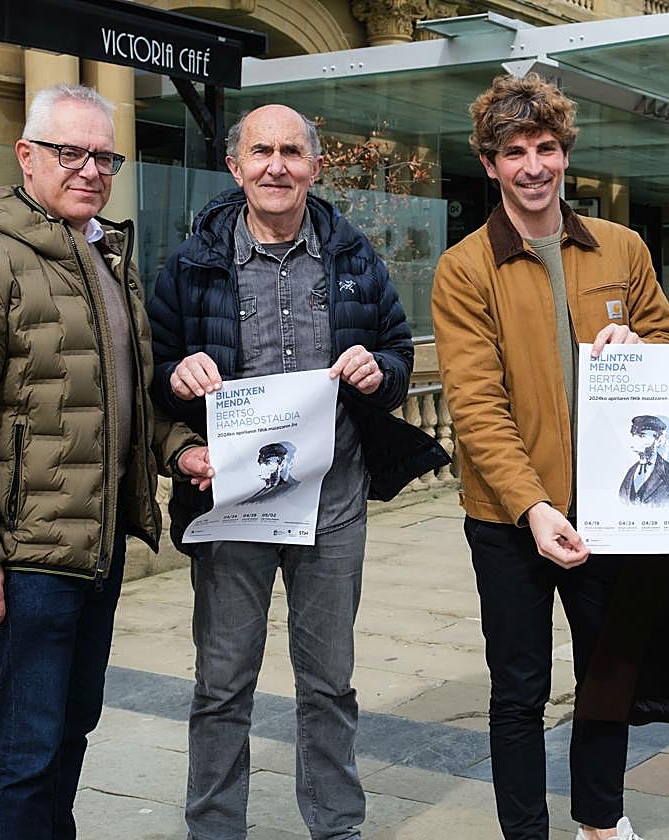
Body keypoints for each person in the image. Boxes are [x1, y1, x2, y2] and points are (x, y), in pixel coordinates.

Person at [0, 84, 205, 839]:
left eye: (105, 155)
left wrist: (180, 449)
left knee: (72, 726)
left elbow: (128, 397)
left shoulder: (108, 255)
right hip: (28, 553)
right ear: (28, 156)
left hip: (93, 547)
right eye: (71, 152)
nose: (90, 169)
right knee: (27, 745)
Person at [147, 103, 447, 840]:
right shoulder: (190, 266)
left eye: (291, 152)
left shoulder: (354, 258)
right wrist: (176, 377)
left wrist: (381, 370)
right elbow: (151, 371)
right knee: (221, 686)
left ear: (314, 166)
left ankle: (337, 827)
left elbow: (399, 353)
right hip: (233, 508)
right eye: (261, 153)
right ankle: (215, 831)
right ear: (235, 166)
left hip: (332, 502)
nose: (275, 166)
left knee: (328, 685)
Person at [432, 73, 669, 840]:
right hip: (510, 519)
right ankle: (526, 832)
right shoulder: (465, 268)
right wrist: (535, 505)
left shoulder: (620, 247)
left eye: (546, 147)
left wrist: (663, 341)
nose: (533, 165)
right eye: (514, 152)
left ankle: (602, 826)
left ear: (565, 154)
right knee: (518, 690)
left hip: (612, 510)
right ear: (490, 163)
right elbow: (476, 406)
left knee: (608, 680)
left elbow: (663, 355)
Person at [617, 415, 669, 506]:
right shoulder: (630, 472)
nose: (635, 442)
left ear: (659, 440)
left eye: (642, 436)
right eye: (634, 435)